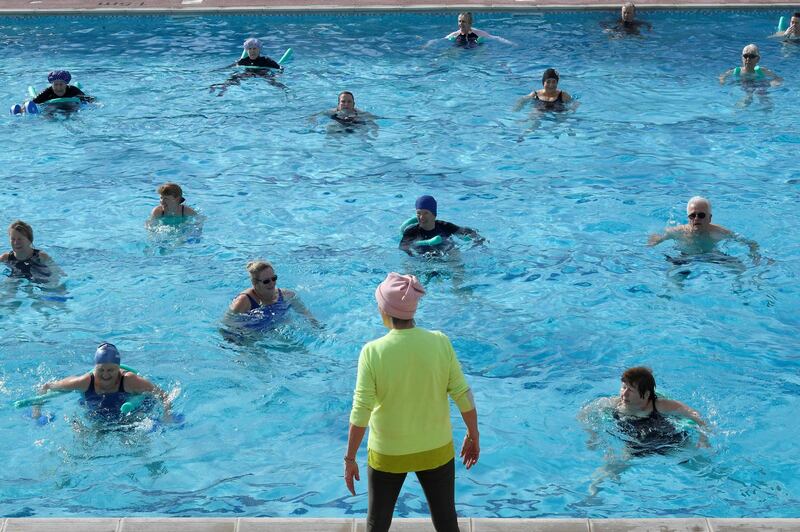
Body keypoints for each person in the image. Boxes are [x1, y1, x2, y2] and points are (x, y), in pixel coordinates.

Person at [344, 273, 479, 532]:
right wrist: (473, 435)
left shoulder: (372, 351)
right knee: (447, 522)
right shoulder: (439, 341)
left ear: (384, 309)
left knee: (377, 524)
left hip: (388, 454)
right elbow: (463, 393)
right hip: (435, 450)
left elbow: (361, 411)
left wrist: (349, 459)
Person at [580, 366, 709, 454]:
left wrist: (703, 437)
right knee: (609, 469)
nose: (624, 394)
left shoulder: (660, 405)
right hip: (633, 442)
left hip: (668, 438)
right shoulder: (613, 404)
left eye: (630, 390)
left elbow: (694, 414)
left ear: (646, 395)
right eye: (623, 387)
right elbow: (584, 413)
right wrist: (593, 435)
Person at [34, 342, 173, 421]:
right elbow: (46, 386)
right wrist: (37, 413)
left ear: (118, 368)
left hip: (130, 414)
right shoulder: (85, 381)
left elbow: (162, 394)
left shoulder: (130, 380)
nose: (105, 375)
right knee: (80, 432)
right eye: (101, 370)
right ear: (95, 368)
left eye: (110, 370)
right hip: (99, 415)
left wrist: (167, 415)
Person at [648, 196, 760, 262]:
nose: (696, 218)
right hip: (685, 256)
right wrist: (653, 242)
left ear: (709, 218)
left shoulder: (719, 232)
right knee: (673, 278)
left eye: (701, 215)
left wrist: (755, 255)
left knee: (740, 267)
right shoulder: (678, 231)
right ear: (688, 218)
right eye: (693, 215)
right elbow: (655, 239)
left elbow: (750, 243)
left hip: (712, 255)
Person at [228, 260, 320, 328]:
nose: (272, 283)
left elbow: (307, 315)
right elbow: (227, 324)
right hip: (252, 334)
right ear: (255, 283)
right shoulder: (244, 301)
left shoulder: (287, 295)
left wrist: (318, 328)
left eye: (274, 278)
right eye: (266, 281)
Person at [399, 195, 485, 256]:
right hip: (422, 257)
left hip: (446, 253)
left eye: (426, 213)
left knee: (454, 252)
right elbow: (403, 248)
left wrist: (478, 241)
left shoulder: (444, 226)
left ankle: (459, 280)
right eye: (419, 213)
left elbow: (466, 232)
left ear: (434, 214)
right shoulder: (411, 231)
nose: (421, 217)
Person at [209, 38, 286, 96]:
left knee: (272, 81)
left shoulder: (266, 60)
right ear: (246, 50)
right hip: (248, 73)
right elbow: (230, 67)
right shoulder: (244, 60)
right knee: (234, 76)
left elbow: (280, 67)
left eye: (255, 48)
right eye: (250, 49)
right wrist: (216, 70)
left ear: (259, 50)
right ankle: (223, 87)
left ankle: (285, 91)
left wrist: (278, 74)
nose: (252, 51)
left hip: (262, 74)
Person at [12, 71, 94, 114]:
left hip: (70, 105)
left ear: (66, 84)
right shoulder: (48, 92)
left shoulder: (72, 90)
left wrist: (95, 103)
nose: (58, 87)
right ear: (52, 84)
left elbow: (87, 98)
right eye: (56, 84)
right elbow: (35, 101)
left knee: (72, 112)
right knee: (48, 113)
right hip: (53, 106)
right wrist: (23, 107)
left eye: (61, 84)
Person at [443, 12, 513, 47]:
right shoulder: (455, 34)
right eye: (459, 21)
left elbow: (495, 38)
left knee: (482, 49)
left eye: (463, 21)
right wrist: (431, 43)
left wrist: (510, 43)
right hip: (460, 48)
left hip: (475, 48)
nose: (461, 24)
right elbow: (441, 40)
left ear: (470, 23)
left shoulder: (479, 33)